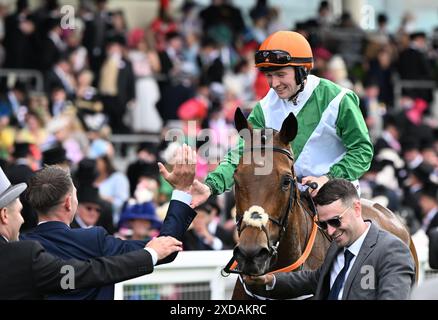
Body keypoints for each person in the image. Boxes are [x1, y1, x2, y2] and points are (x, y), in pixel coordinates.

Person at [192, 30, 373, 205]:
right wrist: (211, 185)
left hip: (335, 196)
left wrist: (329, 178)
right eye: (269, 76)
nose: (274, 84)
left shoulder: (339, 99)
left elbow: (362, 150)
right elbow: (242, 154)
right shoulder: (264, 108)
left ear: (302, 71)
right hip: (287, 202)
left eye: (280, 74)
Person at [21, 144, 198, 300]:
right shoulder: (93, 240)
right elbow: (168, 247)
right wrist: (182, 190)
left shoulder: (20, 246)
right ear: (69, 202)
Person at [243, 179, 415, 300]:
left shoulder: (393, 251)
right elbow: (314, 279)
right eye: (324, 225)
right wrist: (269, 280)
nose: (331, 231)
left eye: (335, 221)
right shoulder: (338, 247)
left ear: (356, 209)